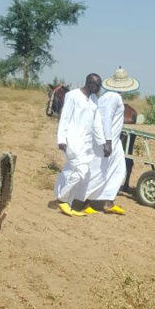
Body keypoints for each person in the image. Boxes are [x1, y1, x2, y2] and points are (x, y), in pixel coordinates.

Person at [83, 67, 140, 214]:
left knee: (117, 170)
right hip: (108, 140)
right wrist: (108, 142)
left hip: (112, 140)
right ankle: (85, 201)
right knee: (99, 169)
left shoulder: (110, 96)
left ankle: (108, 201)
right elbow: (106, 119)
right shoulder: (113, 98)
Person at [55, 73, 111, 216]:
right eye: (97, 85)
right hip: (72, 140)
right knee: (81, 172)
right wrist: (61, 139)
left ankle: (68, 203)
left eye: (100, 86)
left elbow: (97, 123)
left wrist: (103, 143)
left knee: (72, 171)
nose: (99, 88)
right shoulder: (73, 95)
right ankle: (62, 199)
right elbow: (65, 117)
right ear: (89, 83)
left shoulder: (94, 100)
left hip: (86, 144)